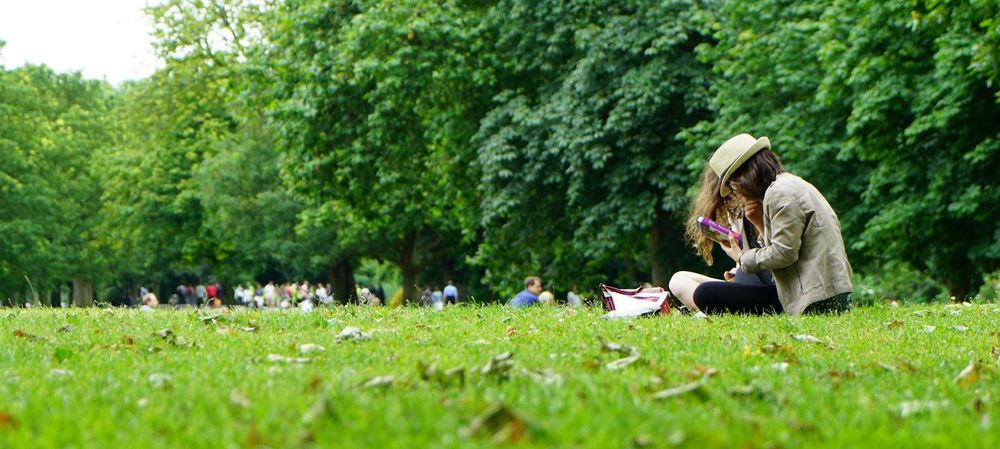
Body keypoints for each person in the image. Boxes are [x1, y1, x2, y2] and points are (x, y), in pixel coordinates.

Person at [670, 133, 852, 315]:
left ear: (746, 174)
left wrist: (741, 258)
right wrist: (757, 220)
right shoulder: (787, 185)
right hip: (820, 294)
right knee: (702, 282)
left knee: (705, 293)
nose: (736, 192)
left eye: (733, 185)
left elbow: (784, 254)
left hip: (816, 300)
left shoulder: (779, 193)